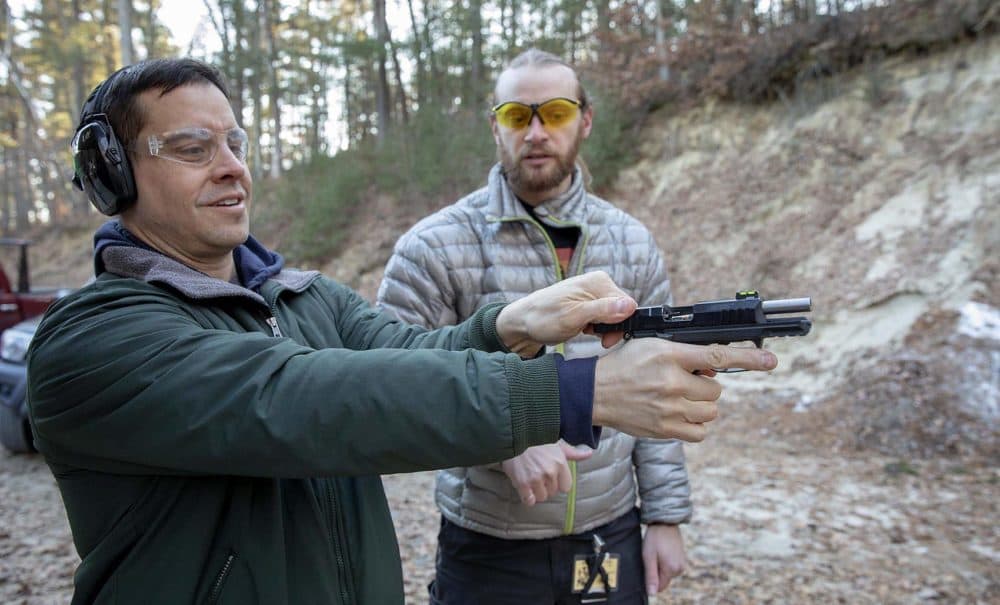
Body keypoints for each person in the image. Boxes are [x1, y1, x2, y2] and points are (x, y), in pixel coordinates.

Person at [27, 57, 778, 605]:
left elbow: (419, 354)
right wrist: (576, 388)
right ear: (111, 173)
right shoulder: (92, 343)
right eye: (193, 148)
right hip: (492, 545)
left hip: (605, 537)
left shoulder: (303, 299)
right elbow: (315, 399)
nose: (232, 169)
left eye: (236, 144)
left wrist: (509, 323)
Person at [377, 48, 695, 604]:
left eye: (555, 112)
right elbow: (391, 383)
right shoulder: (432, 246)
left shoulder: (633, 241)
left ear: (585, 120)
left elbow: (657, 382)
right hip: (489, 541)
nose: (537, 132)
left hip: (610, 529)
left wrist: (665, 518)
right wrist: (500, 437)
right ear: (495, 125)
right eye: (518, 116)